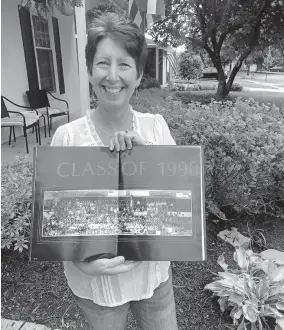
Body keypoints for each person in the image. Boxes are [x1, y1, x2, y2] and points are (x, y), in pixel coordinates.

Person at [50, 12, 178, 330]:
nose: (113, 76)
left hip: (153, 279)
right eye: (103, 63)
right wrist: (81, 262)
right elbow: (55, 223)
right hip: (97, 289)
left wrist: (148, 159)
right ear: (90, 70)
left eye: (124, 64)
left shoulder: (156, 128)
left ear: (137, 74)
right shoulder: (68, 138)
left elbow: (181, 206)